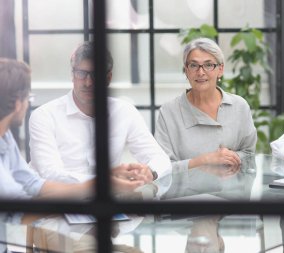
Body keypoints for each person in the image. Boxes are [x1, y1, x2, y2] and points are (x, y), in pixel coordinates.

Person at [0, 58, 145, 252]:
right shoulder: (44, 116)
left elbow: (35, 185)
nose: (28, 104)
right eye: (28, 98)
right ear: (18, 103)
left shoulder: (6, 138)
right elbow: (20, 212)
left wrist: (102, 181)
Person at [29, 41, 171, 197]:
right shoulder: (44, 115)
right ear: (72, 75)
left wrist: (150, 171)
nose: (88, 83)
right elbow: (49, 174)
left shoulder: (124, 111)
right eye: (81, 74)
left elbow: (160, 158)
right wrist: (107, 182)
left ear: (108, 78)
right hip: (56, 204)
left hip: (106, 205)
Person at [154, 37, 257, 175]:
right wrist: (205, 160)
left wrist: (231, 158)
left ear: (220, 69)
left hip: (231, 192)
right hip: (186, 195)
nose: (201, 72)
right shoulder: (168, 112)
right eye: (194, 65)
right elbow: (162, 168)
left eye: (208, 65)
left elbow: (249, 155)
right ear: (186, 70)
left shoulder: (239, 106)